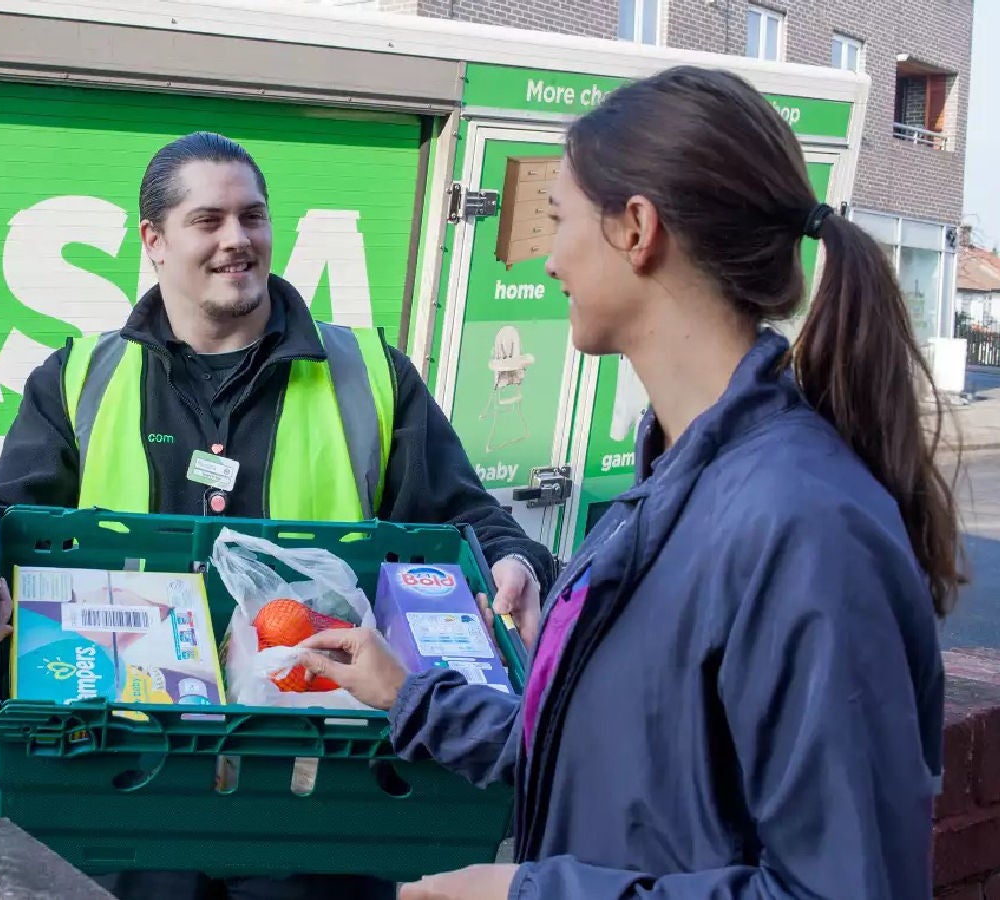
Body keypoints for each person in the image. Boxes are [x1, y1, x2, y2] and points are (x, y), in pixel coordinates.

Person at [297, 65, 965, 900]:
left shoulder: (801, 526)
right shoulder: (671, 489)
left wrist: (524, 895)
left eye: (557, 219)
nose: (547, 259)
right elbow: (615, 768)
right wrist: (411, 696)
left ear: (637, 228)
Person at [0, 131, 559, 900]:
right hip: (136, 798)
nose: (237, 241)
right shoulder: (82, 377)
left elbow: (470, 522)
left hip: (320, 803)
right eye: (208, 220)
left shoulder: (373, 377)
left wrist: (517, 563)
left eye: (253, 217)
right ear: (154, 241)